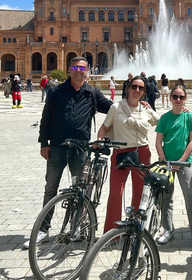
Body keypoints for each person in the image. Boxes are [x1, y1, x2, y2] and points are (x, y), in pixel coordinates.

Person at [23, 56, 113, 249]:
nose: (79, 71)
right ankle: (43, 230)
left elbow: (113, 109)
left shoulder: (92, 93)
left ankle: (76, 227)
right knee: (50, 189)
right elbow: (46, 118)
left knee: (79, 190)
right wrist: (43, 143)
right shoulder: (56, 91)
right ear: (69, 69)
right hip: (56, 147)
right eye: (75, 67)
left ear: (87, 71)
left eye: (82, 68)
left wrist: (136, 105)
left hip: (80, 149)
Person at [97, 75, 159, 233]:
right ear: (127, 88)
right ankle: (112, 233)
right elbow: (104, 128)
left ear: (144, 91)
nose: (137, 90)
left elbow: (162, 123)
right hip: (121, 152)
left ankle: (137, 230)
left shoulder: (145, 108)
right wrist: (99, 140)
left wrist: (181, 110)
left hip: (142, 152)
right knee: (116, 193)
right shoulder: (116, 107)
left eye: (141, 88)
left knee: (140, 192)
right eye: (134, 87)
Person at [155, 85, 192, 249]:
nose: (178, 99)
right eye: (175, 96)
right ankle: (167, 229)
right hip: (166, 163)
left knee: (190, 196)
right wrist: (165, 161)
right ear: (170, 98)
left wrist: (180, 161)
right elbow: (158, 141)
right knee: (165, 197)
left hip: (184, 163)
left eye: (181, 97)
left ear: (185, 99)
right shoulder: (164, 118)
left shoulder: (189, 116)